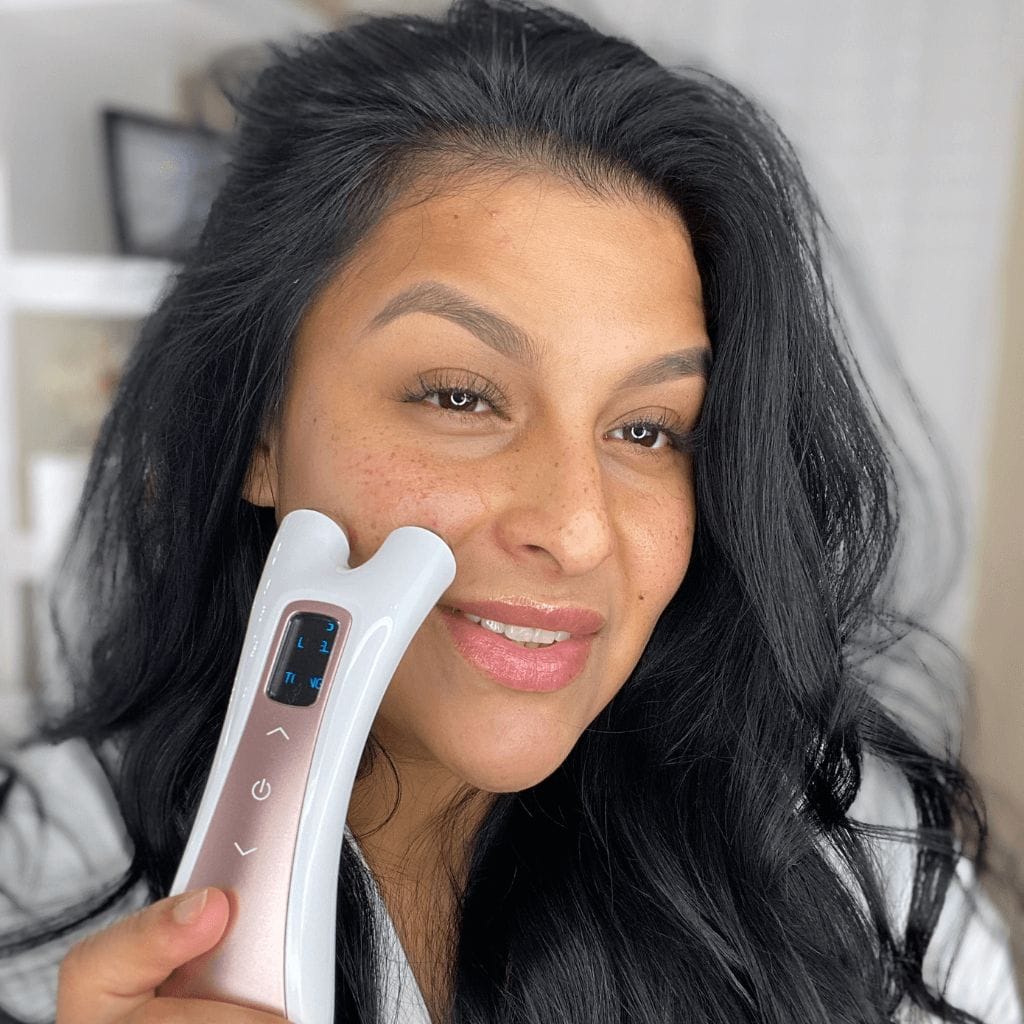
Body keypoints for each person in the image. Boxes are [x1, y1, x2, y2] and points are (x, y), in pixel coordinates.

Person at [0, 0, 1020, 1021]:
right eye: (459, 397)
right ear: (260, 428)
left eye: (648, 430)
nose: (574, 529)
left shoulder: (856, 865)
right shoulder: (33, 876)